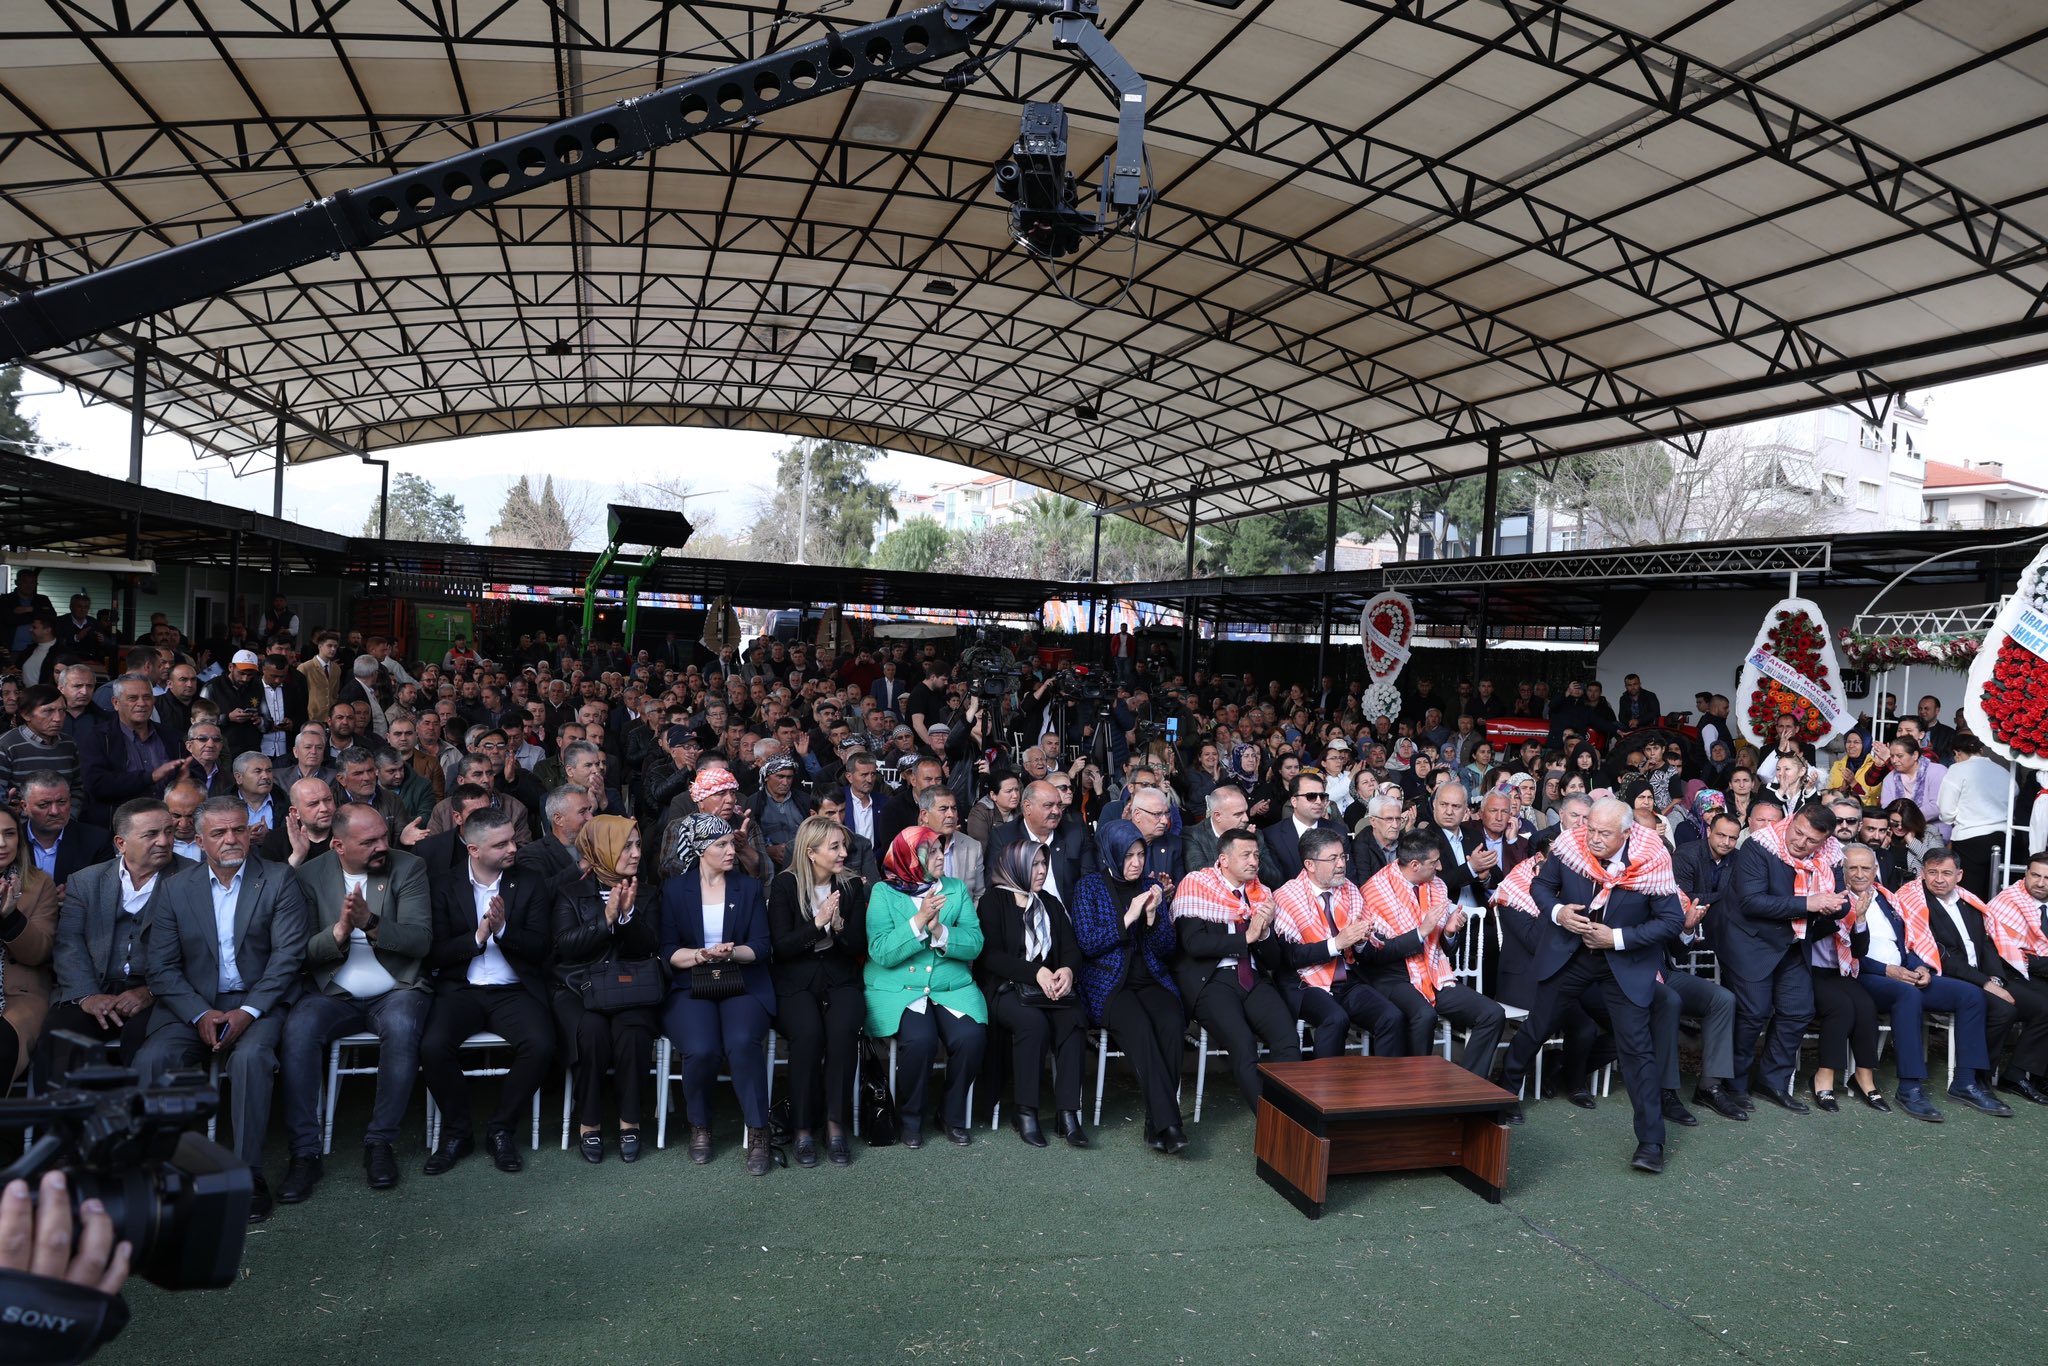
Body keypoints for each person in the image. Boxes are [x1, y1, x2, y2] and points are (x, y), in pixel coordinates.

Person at [137, 797, 311, 1222]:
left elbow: (288, 957)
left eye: (238, 829)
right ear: (199, 840)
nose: (231, 839)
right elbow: (160, 966)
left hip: (259, 1003)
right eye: (219, 833)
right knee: (153, 1059)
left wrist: (248, 1011)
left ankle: (248, 1174)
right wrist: (200, 1014)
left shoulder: (278, 879)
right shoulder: (176, 887)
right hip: (195, 1005)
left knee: (251, 1059)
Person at [1499, 799, 1682, 1173]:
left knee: (1637, 1048)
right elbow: (1541, 887)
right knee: (1537, 1026)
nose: (1593, 839)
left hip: (1622, 962)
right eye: (1591, 830)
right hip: (1569, 953)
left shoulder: (1653, 858)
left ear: (1628, 833)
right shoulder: (1570, 845)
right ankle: (1503, 1096)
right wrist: (1558, 913)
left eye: (1604, 833)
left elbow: (1670, 921)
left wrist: (1615, 938)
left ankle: (1651, 1143)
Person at [276, 804, 433, 1201]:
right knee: (297, 1030)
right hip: (333, 991)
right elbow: (299, 953)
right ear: (339, 846)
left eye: (384, 835)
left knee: (401, 1028)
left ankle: (380, 1143)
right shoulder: (310, 876)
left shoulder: (408, 867)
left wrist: (372, 923)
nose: (383, 845)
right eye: (370, 842)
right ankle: (304, 1153)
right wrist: (341, 930)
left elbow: (420, 940)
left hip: (395, 988)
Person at [419, 807, 557, 1177]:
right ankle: (458, 1131)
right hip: (460, 989)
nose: (513, 848)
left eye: (513, 839)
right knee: (432, 1047)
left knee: (541, 1045)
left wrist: (505, 930)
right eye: (502, 844)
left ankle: (501, 1129)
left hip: (514, 990)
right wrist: (479, 937)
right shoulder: (444, 885)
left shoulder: (529, 882)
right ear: (474, 849)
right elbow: (433, 952)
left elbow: (543, 948)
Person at [1853, 845, 2012, 1120]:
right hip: (1866, 977)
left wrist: (1920, 967)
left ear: (1876, 871)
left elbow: (1907, 944)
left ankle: (1965, 1081)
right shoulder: (1839, 900)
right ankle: (1910, 1087)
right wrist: (1887, 970)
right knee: (1908, 995)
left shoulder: (1885, 898)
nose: (1860, 874)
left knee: (1970, 995)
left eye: (1866, 868)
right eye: (1853, 868)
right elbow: (1845, 952)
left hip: (1902, 973)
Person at [42, 798, 192, 1080]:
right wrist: (87, 995)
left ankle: (135, 1121)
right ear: (121, 843)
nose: (164, 841)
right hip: (96, 986)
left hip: (159, 992)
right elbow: (69, 942)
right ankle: (63, 1123)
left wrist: (151, 991)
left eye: (169, 832)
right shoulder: (86, 881)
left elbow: (198, 950)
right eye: (151, 834)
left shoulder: (191, 878)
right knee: (60, 1037)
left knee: (146, 1044)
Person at [661, 812, 776, 1173]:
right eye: (721, 844)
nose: (731, 850)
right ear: (700, 849)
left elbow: (761, 945)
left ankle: (759, 1131)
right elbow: (666, 950)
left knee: (742, 1042)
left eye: (730, 843)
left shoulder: (748, 887)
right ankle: (700, 1126)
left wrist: (731, 952)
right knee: (701, 1049)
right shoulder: (674, 890)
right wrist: (700, 955)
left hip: (742, 979)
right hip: (690, 982)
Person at [864, 825, 986, 1149]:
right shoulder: (883, 893)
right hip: (898, 986)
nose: (940, 856)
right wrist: (918, 922)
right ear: (910, 856)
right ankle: (911, 1118)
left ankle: (951, 1114)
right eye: (931, 851)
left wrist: (941, 931)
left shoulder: (956, 889)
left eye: (940, 849)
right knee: (920, 1040)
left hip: (950, 985)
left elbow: (975, 943)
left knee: (971, 1037)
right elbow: (880, 951)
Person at [1721, 802, 1845, 1114]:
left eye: (1812, 841)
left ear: (1825, 840)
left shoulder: (1831, 855)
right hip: (1750, 941)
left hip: (1793, 943)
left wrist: (1833, 905)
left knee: (1798, 1011)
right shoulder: (1759, 846)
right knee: (1752, 1013)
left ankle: (1771, 1081)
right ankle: (1731, 1085)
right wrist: (1809, 903)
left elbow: (1841, 903)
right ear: (1791, 821)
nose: (1801, 843)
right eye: (1798, 832)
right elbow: (1751, 901)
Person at [1072, 819, 1186, 1153]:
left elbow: (1167, 947)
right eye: (1128, 856)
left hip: (1149, 978)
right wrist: (1128, 918)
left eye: (1140, 854)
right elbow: (1088, 944)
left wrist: (1152, 919)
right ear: (1111, 855)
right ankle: (1169, 1124)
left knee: (1171, 1021)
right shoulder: (1089, 887)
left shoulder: (1149, 887)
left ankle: (1156, 1122)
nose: (1136, 863)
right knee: (1139, 1028)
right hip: (1108, 984)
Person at [552, 815, 660, 1164]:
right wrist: (606, 919)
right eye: (625, 845)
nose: (635, 853)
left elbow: (649, 946)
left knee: (632, 1031)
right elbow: (565, 947)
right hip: (580, 988)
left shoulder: (647, 892)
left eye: (638, 844)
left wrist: (627, 918)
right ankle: (590, 1123)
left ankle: (630, 1122)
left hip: (631, 987)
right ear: (602, 847)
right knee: (592, 1032)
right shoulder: (570, 893)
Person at [1171, 827, 1300, 1112]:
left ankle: (1289, 1115)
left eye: (1256, 854)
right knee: (1244, 1047)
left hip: (1252, 978)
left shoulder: (1262, 894)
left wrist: (1264, 934)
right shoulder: (1197, 884)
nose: (1254, 861)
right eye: (1245, 855)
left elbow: (1273, 961)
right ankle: (1271, 1124)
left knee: (1288, 1040)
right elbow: (1193, 944)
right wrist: (1247, 937)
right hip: (1212, 980)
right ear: (1224, 859)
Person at [1358, 829, 1507, 1076]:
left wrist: (1449, 932)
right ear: (1415, 865)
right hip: (1393, 976)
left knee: (1493, 1013)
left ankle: (1470, 1090)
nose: (1439, 868)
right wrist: (1421, 931)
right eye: (1434, 862)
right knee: (1424, 1015)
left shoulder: (1435, 885)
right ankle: (1417, 1092)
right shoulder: (1375, 891)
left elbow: (1445, 946)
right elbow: (1375, 955)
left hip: (1435, 971)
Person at [1896, 847, 2031, 1114]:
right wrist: (1985, 982)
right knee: (2001, 1008)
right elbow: (1941, 957)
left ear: (1959, 875)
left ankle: (1982, 1078)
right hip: (1942, 977)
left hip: (1979, 974)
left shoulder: (1968, 901)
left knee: (2025, 1005)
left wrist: (1995, 977)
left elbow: (1985, 943)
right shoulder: (1917, 903)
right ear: (1922, 873)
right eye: (1932, 872)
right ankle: (1972, 1080)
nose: (1938, 879)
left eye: (1946, 873)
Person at [767, 816, 868, 1167]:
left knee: (842, 1033)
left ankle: (835, 1124)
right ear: (811, 852)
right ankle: (803, 1129)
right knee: (808, 1035)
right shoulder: (785, 885)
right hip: (795, 978)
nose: (844, 853)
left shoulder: (853, 886)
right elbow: (781, 947)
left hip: (841, 975)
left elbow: (859, 943)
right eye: (835, 847)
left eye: (844, 846)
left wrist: (839, 928)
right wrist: (818, 923)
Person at [977, 836, 1087, 1148]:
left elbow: (1071, 950)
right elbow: (991, 957)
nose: (1041, 870)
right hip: (1007, 989)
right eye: (1034, 864)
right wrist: (1035, 971)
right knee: (1032, 1023)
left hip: (1049, 989)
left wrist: (1066, 970)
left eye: (1044, 864)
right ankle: (1025, 1111)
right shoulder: (993, 901)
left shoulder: (1049, 902)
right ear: (1015, 866)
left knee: (1074, 1020)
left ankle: (1068, 1113)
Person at [1270, 827, 1405, 1060]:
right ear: (1310, 865)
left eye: (1343, 856)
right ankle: (1325, 1095)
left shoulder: (1349, 890)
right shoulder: (1286, 896)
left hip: (1346, 978)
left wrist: (1361, 942)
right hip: (1304, 982)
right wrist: (1337, 943)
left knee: (1391, 1016)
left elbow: (1364, 951)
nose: (1341, 864)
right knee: (1335, 1018)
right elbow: (1291, 957)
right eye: (1332, 858)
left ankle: (1383, 1092)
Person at [1974, 852, 2048, 1105]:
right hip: (2007, 974)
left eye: (2047, 878)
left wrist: (2037, 962)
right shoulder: (2007, 902)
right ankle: (2015, 1076)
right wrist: (2038, 962)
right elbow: (2005, 954)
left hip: (2036, 975)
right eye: (2035, 875)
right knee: (2045, 1009)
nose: (2041, 882)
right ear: (2025, 874)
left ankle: (2039, 1075)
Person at [0, 804, 59, 1087]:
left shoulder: (39, 884)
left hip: (18, 997)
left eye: (9, 834)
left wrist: (10, 918)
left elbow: (39, 953)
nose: (2, 843)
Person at [1936, 736, 2016, 899]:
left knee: (1971, 896)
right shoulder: (2003, 771)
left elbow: (1946, 811)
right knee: (2001, 896)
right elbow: (2015, 795)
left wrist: (1956, 818)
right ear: (1981, 751)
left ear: (1956, 753)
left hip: (1971, 838)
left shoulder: (1957, 769)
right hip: (2005, 838)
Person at [1257, 770, 1343, 887]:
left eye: (1322, 796)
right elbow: (1273, 882)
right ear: (1294, 801)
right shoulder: (1272, 835)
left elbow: (1348, 876)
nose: (1319, 801)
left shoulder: (1339, 831)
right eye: (1311, 796)